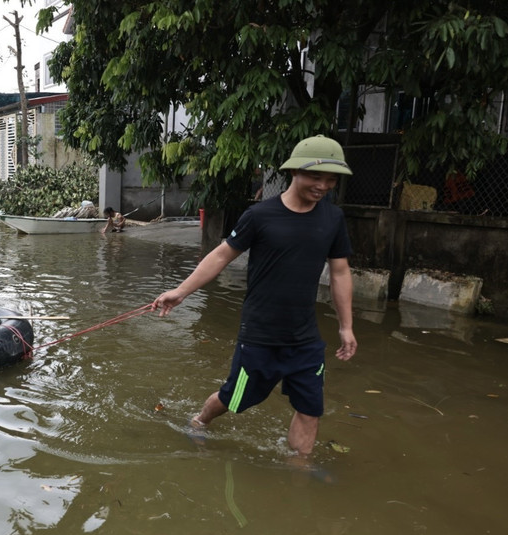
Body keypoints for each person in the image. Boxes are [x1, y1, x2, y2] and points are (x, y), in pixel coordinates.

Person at [151, 135, 357, 458]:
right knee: (235, 398)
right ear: (295, 172)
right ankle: (200, 420)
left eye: (330, 180)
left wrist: (346, 326)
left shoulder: (332, 219)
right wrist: (181, 292)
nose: (323, 186)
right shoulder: (260, 215)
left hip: (305, 337)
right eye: (316, 176)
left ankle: (299, 469)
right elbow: (221, 255)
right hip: (260, 333)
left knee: (310, 408)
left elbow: (340, 271)